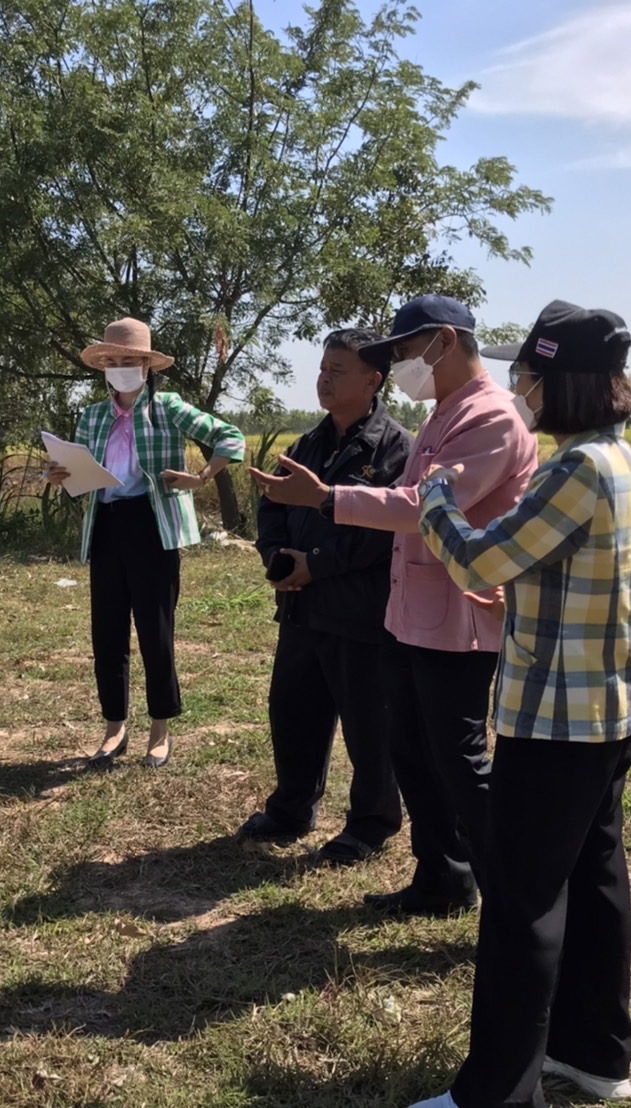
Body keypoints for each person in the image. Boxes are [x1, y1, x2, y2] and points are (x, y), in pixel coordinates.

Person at [406, 301, 631, 1108]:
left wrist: (435, 498)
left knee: (521, 902)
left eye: (532, 375)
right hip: (609, 711)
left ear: (559, 382)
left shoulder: (575, 469)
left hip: (552, 721)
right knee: (594, 881)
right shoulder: (627, 465)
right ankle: (595, 1056)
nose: (524, 388)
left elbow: (478, 555)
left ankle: (495, 1091)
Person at [250, 295, 538, 916]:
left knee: (459, 761)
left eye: (406, 351)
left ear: (444, 342)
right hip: (410, 615)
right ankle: (442, 878)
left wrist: (329, 498)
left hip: (458, 621)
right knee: (413, 752)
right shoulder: (443, 416)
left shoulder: (490, 419)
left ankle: (518, 896)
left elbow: (423, 508)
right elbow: (409, 499)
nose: (404, 364)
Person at [239, 329, 412, 864]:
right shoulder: (307, 444)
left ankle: (371, 824)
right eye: (322, 367)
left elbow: (383, 531)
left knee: (369, 725)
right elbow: (271, 504)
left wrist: (318, 566)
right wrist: (278, 558)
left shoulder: (395, 449)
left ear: (373, 380)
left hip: (360, 612)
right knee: (293, 712)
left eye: (339, 370)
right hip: (301, 607)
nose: (325, 378)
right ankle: (292, 808)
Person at [44, 317, 245, 769]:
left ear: (147, 366)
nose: (120, 367)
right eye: (112, 361)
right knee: (107, 633)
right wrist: (63, 476)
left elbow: (230, 437)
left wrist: (201, 477)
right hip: (107, 524)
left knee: (155, 631)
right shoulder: (93, 415)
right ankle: (114, 728)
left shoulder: (167, 406)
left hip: (154, 526)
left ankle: (160, 729)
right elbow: (80, 472)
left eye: (129, 360)